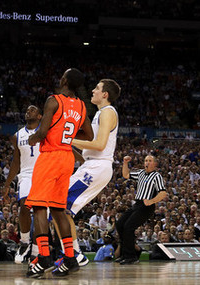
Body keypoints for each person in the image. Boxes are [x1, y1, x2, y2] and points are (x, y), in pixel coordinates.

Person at [25, 68, 93, 278]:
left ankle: (44, 255)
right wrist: (69, 131)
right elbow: (89, 135)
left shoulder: (53, 100)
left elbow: (43, 132)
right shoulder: (81, 106)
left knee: (38, 207)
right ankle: (70, 257)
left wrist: (32, 139)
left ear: (64, 80)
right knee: (58, 210)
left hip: (51, 156)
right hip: (67, 159)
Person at [54, 78, 121, 267]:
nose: (93, 91)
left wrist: (68, 140)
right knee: (59, 207)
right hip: (91, 166)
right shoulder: (102, 113)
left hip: (98, 166)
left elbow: (99, 145)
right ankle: (73, 253)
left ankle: (74, 254)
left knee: (58, 205)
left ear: (105, 94)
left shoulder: (108, 112)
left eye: (97, 89)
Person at [2, 104, 42, 264]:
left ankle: (36, 251)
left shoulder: (44, 132)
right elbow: (16, 162)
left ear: (40, 116)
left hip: (43, 174)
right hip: (25, 174)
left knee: (41, 214)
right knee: (24, 206)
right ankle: (25, 241)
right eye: (27, 110)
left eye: (33, 110)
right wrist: (7, 185)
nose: (28, 111)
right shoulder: (17, 135)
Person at [116, 155, 167, 265]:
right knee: (120, 224)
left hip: (147, 206)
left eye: (150, 161)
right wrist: (125, 163)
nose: (147, 163)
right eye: (145, 161)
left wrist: (152, 201)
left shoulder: (157, 176)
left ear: (155, 164)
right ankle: (126, 254)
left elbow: (163, 192)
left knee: (128, 227)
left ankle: (131, 257)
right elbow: (126, 175)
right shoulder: (140, 173)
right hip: (137, 204)